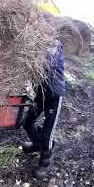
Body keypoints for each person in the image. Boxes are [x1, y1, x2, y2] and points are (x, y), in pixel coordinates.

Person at [22, 38, 66, 178]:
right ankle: (36, 144)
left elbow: (48, 62)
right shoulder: (37, 43)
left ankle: (44, 164)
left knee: (47, 134)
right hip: (41, 93)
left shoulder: (54, 43)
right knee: (27, 122)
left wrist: (30, 57)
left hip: (54, 94)